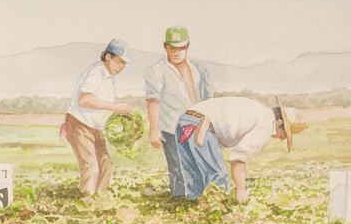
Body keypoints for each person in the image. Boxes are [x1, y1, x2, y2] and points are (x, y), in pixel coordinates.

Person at [143, 26, 228, 201]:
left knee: (205, 162)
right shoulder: (156, 70)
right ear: (165, 47)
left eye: (181, 48)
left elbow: (209, 97)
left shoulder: (198, 69)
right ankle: (181, 202)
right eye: (172, 48)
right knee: (178, 168)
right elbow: (153, 101)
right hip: (172, 126)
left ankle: (210, 199)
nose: (176, 52)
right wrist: (154, 129)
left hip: (198, 124)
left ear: (187, 47)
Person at [183, 93, 300, 205]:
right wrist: (241, 190)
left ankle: (192, 209)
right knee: (218, 180)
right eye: (285, 134)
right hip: (202, 126)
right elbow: (239, 158)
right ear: (279, 122)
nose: (282, 139)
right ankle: (213, 215)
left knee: (192, 177)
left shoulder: (259, 110)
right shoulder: (265, 126)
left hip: (185, 119)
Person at [61, 40, 132, 196]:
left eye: (124, 63)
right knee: (91, 166)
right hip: (80, 124)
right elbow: (84, 99)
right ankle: (87, 203)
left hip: (95, 127)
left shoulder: (109, 76)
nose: (122, 67)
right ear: (108, 57)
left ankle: (99, 199)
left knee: (105, 164)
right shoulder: (96, 72)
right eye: (119, 61)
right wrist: (116, 107)